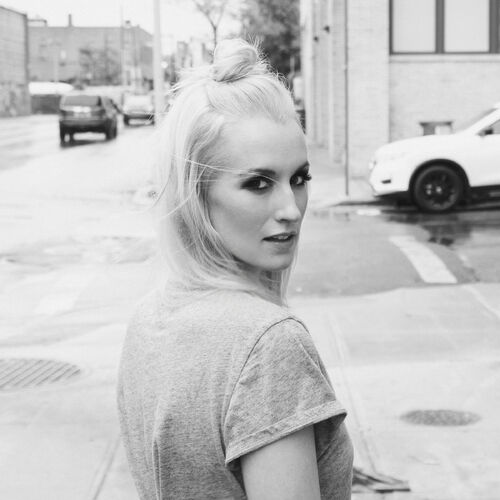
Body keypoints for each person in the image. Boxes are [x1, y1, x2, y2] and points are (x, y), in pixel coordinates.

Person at [117, 38, 353, 500]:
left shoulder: (147, 318)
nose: (291, 209)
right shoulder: (269, 344)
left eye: (299, 178)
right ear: (196, 195)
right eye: (259, 183)